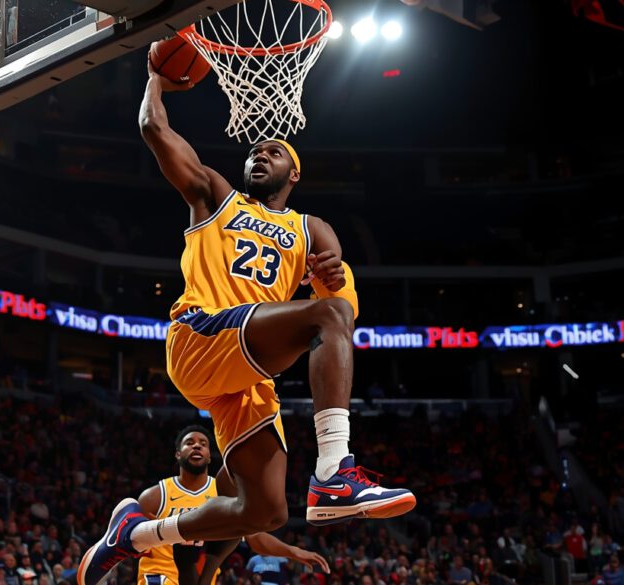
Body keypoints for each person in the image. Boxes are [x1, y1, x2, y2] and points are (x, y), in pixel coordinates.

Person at [77, 46, 416, 585]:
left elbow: (345, 312)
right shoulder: (216, 196)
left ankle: (135, 534)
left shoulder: (312, 229)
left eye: (274, 151)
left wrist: (332, 278)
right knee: (322, 317)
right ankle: (333, 471)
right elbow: (152, 129)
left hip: (247, 375)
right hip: (201, 334)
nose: (260, 154)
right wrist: (156, 84)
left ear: (293, 172)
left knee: (264, 512)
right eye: (254, 150)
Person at [136, 426, 329, 585]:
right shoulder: (154, 496)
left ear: (209, 456)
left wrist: (293, 551)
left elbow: (254, 537)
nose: (196, 446)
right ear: (178, 454)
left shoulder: (221, 492)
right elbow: (131, 541)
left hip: (201, 577)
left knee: (238, 524)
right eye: (190, 443)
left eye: (203, 444)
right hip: (159, 576)